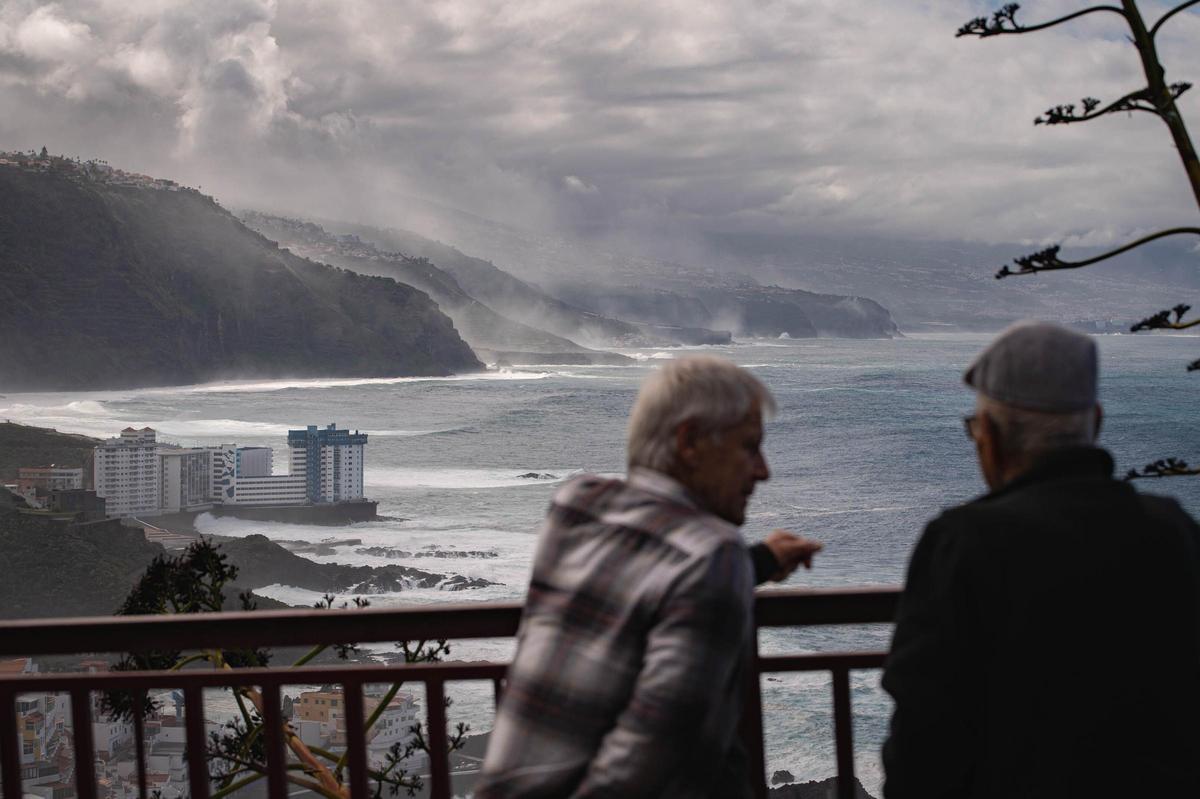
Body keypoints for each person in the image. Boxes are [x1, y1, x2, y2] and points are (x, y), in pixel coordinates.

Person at [476, 356, 822, 798]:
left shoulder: (576, 505)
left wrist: (760, 561)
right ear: (690, 441)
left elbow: (639, 578)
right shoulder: (716, 557)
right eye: (749, 447)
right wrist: (738, 564)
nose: (763, 470)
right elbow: (652, 758)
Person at [882, 321, 1200, 798]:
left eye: (974, 428)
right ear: (1095, 422)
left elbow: (924, 740)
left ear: (988, 434)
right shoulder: (1173, 529)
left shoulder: (964, 543)